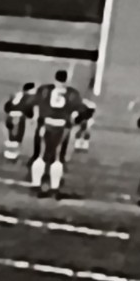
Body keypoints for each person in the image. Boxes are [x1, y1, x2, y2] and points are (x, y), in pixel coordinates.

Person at [27, 70, 90, 198]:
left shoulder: (45, 90)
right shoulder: (72, 94)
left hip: (46, 124)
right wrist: (75, 119)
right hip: (62, 127)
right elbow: (82, 110)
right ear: (66, 80)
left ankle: (36, 184)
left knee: (41, 155)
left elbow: (31, 104)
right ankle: (54, 187)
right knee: (57, 157)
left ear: (55, 79)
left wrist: (35, 118)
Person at [3, 82, 36, 161]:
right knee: (17, 136)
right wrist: (31, 117)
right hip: (18, 118)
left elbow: (7, 106)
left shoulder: (16, 95)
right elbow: (28, 109)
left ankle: (10, 152)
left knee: (11, 135)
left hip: (9, 117)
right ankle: (12, 154)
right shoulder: (29, 97)